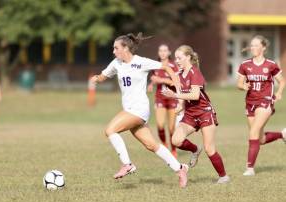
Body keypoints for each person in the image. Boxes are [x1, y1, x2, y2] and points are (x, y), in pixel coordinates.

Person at [90, 33, 189, 188]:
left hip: (139, 109)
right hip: (130, 110)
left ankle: (127, 164)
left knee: (110, 130)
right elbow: (103, 76)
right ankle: (180, 169)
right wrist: (96, 79)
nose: (113, 51)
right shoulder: (116, 63)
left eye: (116, 48)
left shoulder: (140, 62)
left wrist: (178, 93)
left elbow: (167, 68)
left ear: (126, 48)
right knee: (152, 145)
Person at [162, 45, 230, 184]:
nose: (177, 61)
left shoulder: (195, 72)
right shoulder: (180, 75)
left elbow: (194, 94)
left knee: (209, 149)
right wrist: (180, 106)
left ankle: (223, 177)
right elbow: (183, 97)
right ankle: (195, 149)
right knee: (176, 140)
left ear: (188, 57)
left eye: (179, 58)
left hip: (205, 113)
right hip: (190, 114)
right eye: (176, 58)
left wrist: (174, 95)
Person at [237, 35, 286, 176]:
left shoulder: (270, 64)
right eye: (251, 45)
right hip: (250, 103)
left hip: (265, 102)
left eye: (256, 45)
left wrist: (279, 92)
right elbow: (239, 83)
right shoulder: (245, 64)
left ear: (263, 47)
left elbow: (282, 81)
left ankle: (250, 168)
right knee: (260, 139)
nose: (253, 47)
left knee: (252, 133)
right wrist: (243, 87)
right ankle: (282, 134)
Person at [147, 44, 179, 157]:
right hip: (160, 98)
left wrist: (161, 80)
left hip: (172, 98)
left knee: (171, 128)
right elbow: (153, 78)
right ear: (158, 52)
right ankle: (165, 145)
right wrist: (151, 84)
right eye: (160, 50)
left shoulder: (174, 66)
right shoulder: (155, 65)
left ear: (169, 52)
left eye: (165, 50)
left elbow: (176, 82)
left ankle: (173, 149)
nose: (163, 53)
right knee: (160, 125)